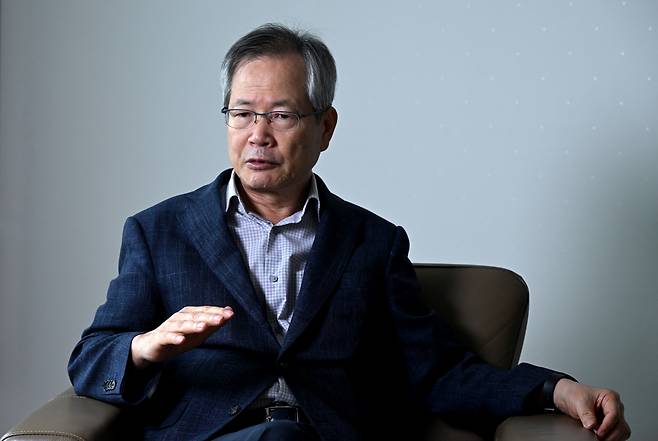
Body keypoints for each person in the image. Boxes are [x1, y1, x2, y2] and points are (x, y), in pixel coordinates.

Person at [68, 23, 631, 441]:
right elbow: (92, 357)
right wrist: (145, 348)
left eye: (282, 115)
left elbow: (435, 371)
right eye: (242, 114)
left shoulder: (374, 243)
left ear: (325, 127)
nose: (257, 134)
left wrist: (555, 389)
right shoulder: (159, 230)